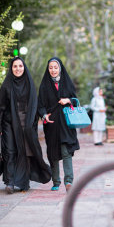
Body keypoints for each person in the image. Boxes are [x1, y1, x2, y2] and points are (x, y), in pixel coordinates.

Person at [0, 57, 51, 194]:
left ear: (24, 67)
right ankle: (10, 182)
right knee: (10, 151)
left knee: (26, 152)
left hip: (26, 124)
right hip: (9, 123)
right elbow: (0, 107)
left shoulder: (29, 83)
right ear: (11, 68)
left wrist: (43, 116)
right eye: (15, 66)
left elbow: (35, 104)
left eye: (20, 66)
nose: (18, 69)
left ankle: (23, 182)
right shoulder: (7, 85)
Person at [38, 57, 80, 192]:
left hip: (66, 123)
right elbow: (40, 105)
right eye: (50, 67)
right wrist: (44, 115)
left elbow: (76, 101)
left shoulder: (67, 83)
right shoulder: (44, 85)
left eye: (55, 67)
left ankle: (69, 181)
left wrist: (68, 100)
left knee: (66, 151)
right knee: (52, 153)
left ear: (60, 68)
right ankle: (56, 181)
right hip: (51, 124)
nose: (53, 70)